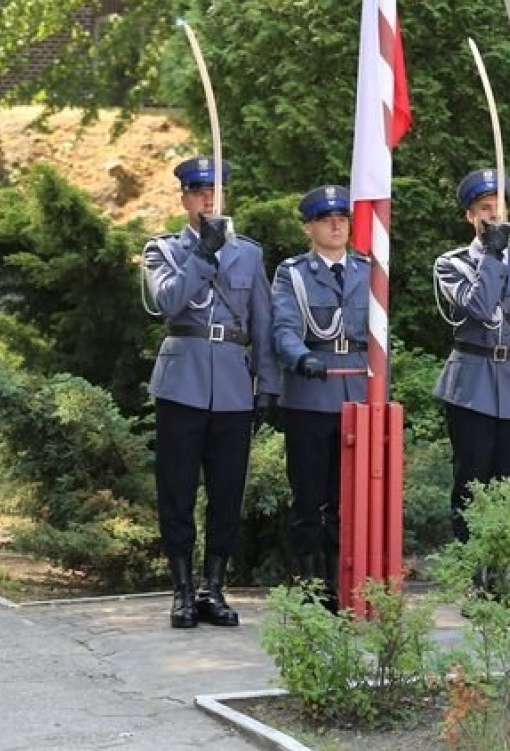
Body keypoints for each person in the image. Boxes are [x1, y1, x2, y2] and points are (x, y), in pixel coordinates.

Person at [142, 156, 278, 629]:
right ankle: (181, 590)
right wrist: (203, 254)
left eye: (214, 192)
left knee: (227, 492)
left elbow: (262, 320)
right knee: (177, 490)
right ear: (183, 198)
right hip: (182, 383)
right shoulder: (164, 250)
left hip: (235, 386)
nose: (207, 199)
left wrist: (268, 385)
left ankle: (212, 588)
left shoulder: (250, 254)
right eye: (199, 191)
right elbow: (167, 302)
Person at [433, 169, 510, 540]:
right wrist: (493, 256)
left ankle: (498, 580)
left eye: (499, 208)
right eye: (485, 209)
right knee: (470, 484)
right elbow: (480, 308)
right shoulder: (452, 265)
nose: (494, 216)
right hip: (472, 387)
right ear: (470, 216)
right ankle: (470, 572)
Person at [269, 185, 366, 610]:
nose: (336, 224)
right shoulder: (292, 274)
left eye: (342, 217)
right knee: (310, 495)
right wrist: (300, 357)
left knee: (350, 496)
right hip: (311, 392)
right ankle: (310, 585)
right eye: (326, 219)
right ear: (309, 226)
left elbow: (380, 338)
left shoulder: (369, 268)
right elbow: (284, 328)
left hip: (358, 393)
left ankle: (342, 581)